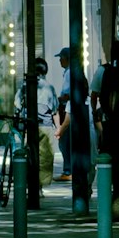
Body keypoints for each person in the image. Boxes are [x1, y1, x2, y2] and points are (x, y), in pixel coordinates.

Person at [50, 46, 93, 210]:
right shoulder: (71, 72)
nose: (60, 60)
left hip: (69, 109)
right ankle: (70, 170)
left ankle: (69, 170)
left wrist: (57, 98)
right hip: (72, 110)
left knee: (65, 141)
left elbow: (68, 95)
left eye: (61, 57)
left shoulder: (70, 74)